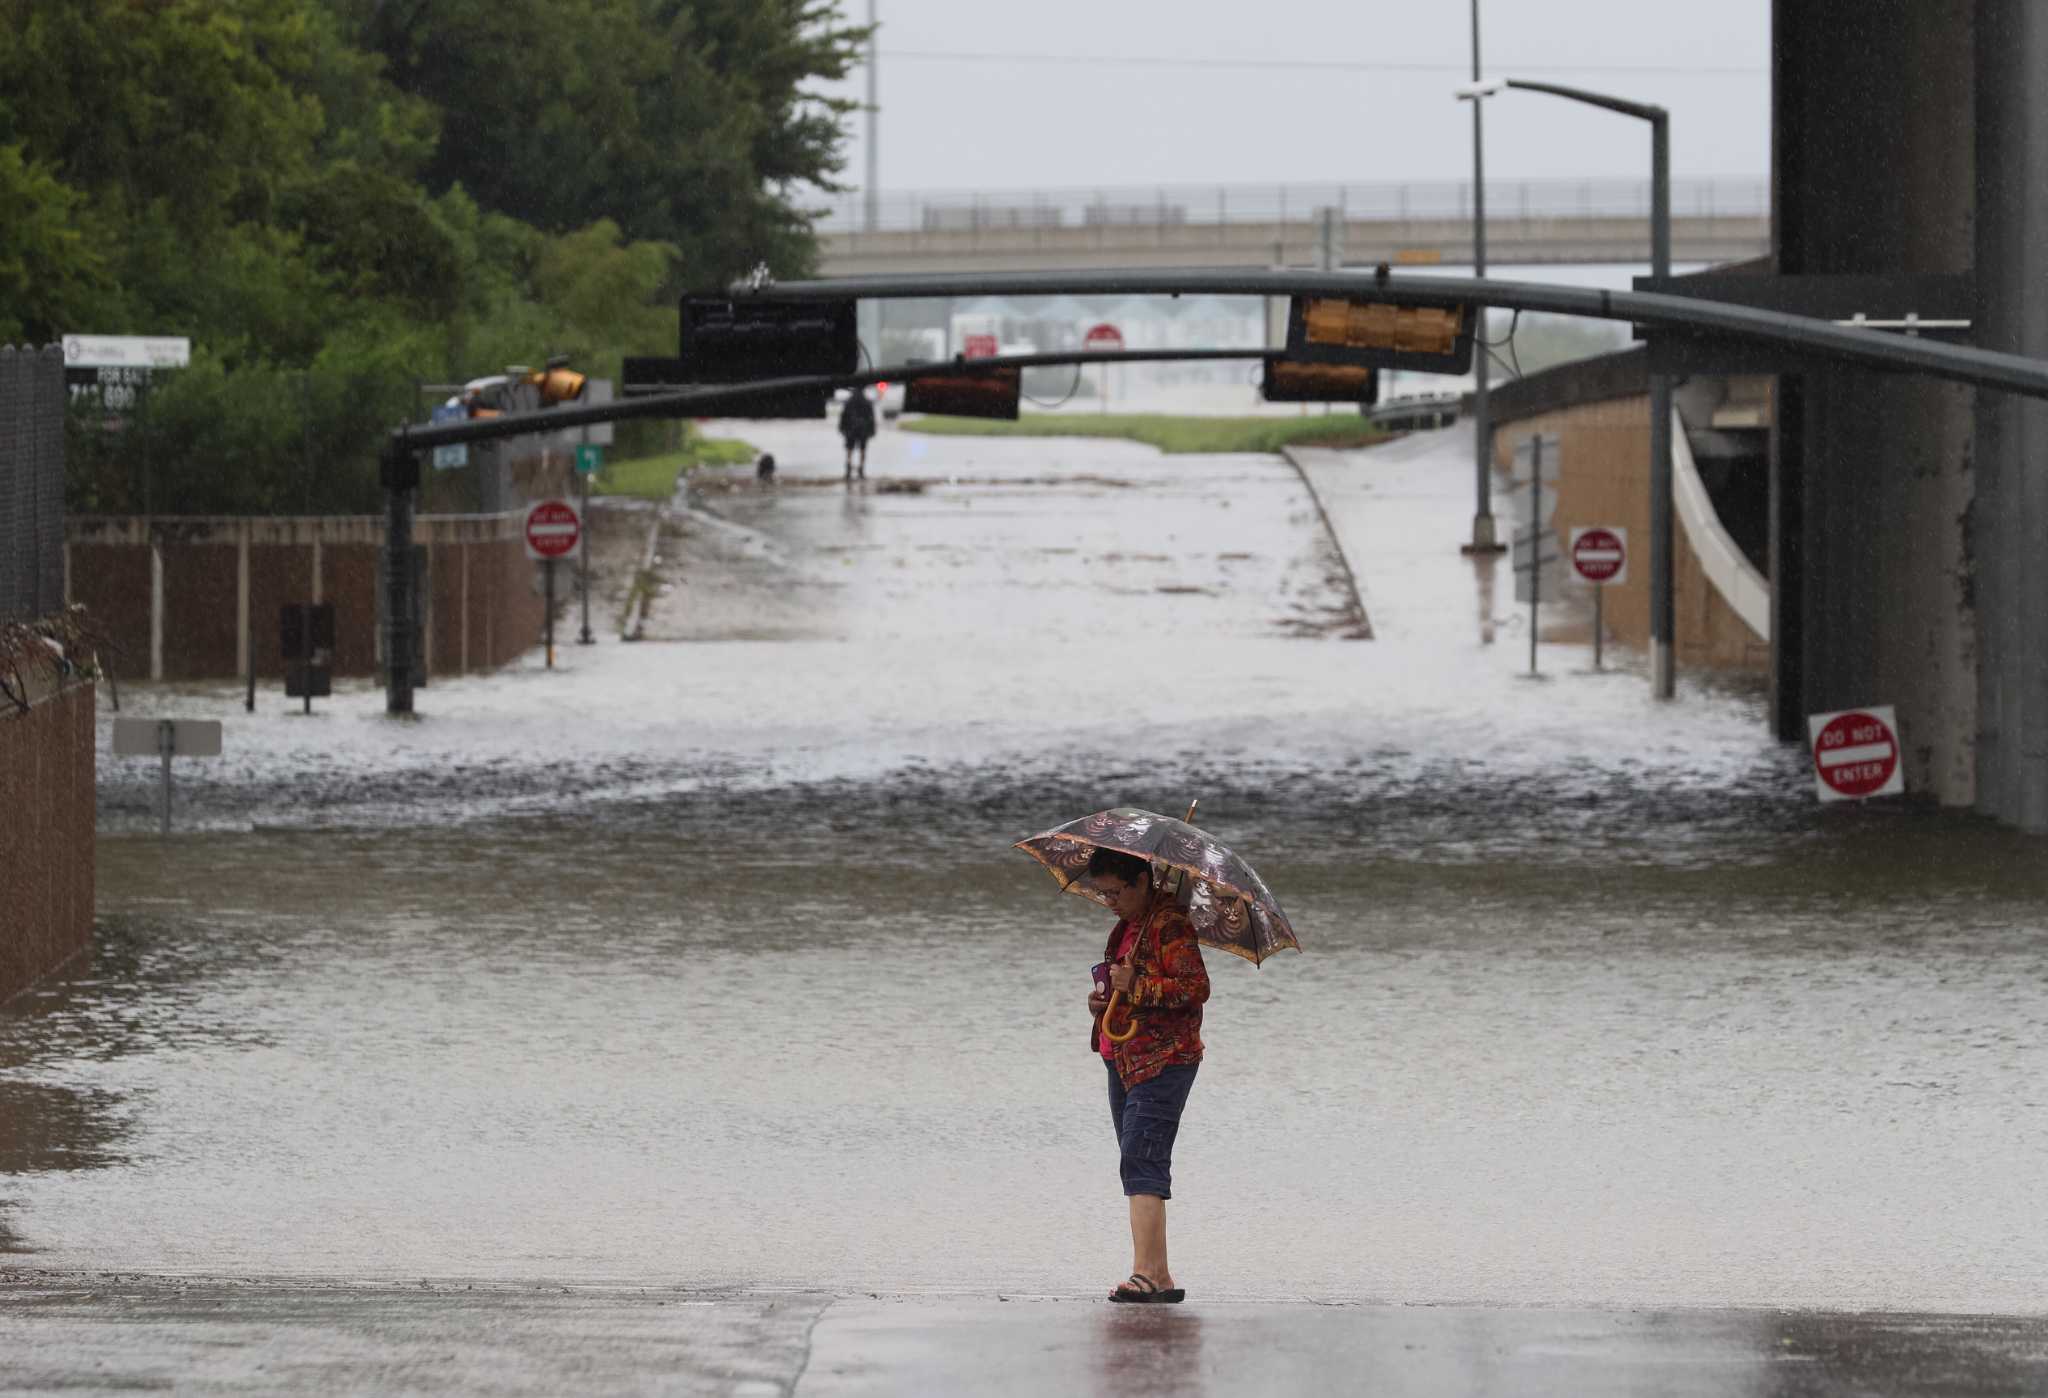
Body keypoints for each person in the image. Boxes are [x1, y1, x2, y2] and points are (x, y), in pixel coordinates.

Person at [1084, 845, 1209, 1304]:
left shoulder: (1170, 924)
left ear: (1142, 882)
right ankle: (1158, 1273)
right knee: (1135, 1159)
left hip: (1164, 1059)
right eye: (1103, 894)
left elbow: (1196, 988)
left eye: (1116, 892)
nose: (1110, 901)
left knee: (1142, 1160)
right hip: (1123, 1056)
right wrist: (1102, 1001)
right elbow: (1120, 986)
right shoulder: (1128, 928)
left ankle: (1146, 1274)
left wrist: (1135, 985)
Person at [838, 387, 876, 479]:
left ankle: (848, 468)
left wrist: (842, 428)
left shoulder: (849, 402)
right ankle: (861, 469)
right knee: (862, 449)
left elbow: (844, 416)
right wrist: (872, 430)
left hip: (851, 428)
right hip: (863, 429)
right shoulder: (867, 402)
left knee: (849, 449)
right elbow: (871, 418)